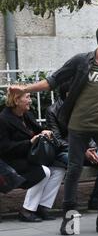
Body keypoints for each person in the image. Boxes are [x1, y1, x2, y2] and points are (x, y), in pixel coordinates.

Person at [8, 22, 98, 235]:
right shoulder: (81, 61)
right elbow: (53, 81)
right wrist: (24, 88)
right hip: (79, 126)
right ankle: (68, 219)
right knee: (75, 170)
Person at [0, 87, 65, 222]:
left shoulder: (26, 114)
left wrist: (45, 132)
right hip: (12, 160)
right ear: (16, 100)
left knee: (59, 169)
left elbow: (37, 130)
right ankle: (27, 210)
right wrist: (29, 142)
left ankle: (42, 207)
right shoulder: (3, 119)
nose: (31, 100)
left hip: (31, 156)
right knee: (44, 172)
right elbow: (4, 148)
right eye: (27, 97)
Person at [45, 81, 98, 210]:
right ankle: (70, 204)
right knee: (75, 164)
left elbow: (91, 131)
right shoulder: (52, 111)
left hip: (87, 148)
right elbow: (57, 140)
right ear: (67, 94)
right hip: (64, 151)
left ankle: (96, 200)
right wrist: (83, 151)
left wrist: (92, 148)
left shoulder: (82, 108)